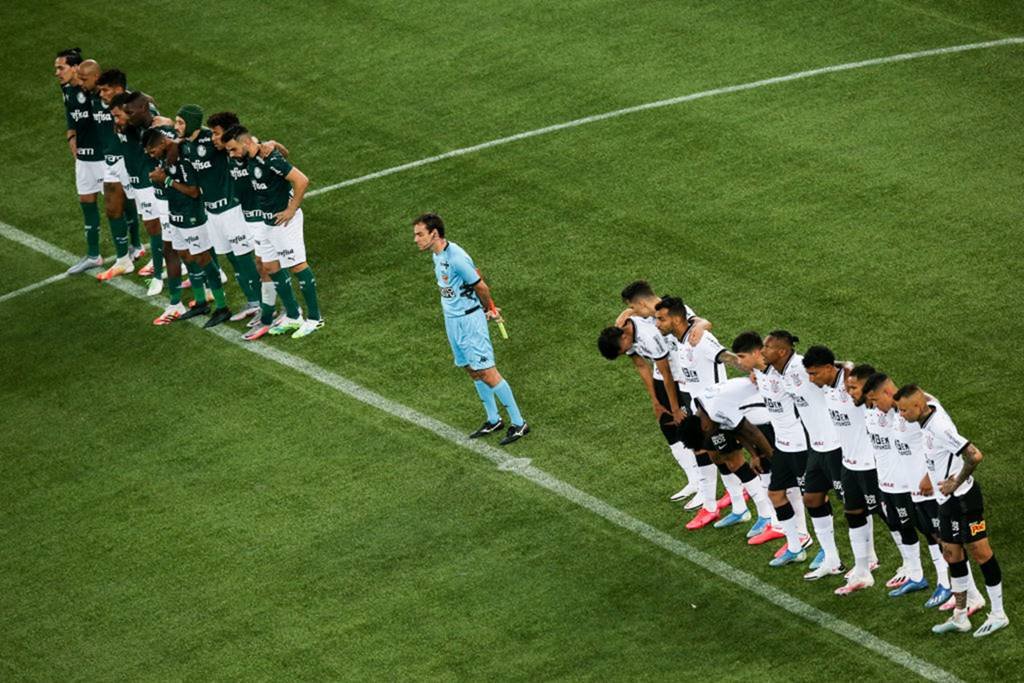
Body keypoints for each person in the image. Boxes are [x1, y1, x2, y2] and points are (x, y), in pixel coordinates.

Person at [896, 385, 1008, 637]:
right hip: (945, 502)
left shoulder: (939, 428)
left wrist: (955, 481)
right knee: (952, 554)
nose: (900, 415)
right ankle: (960, 616)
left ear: (917, 406)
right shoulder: (925, 415)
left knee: (981, 553)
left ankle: (998, 614)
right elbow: (924, 393)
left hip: (964, 499)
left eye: (903, 410)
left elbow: (974, 455)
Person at [413, 213, 528, 444]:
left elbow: (481, 285)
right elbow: (474, 274)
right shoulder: (438, 255)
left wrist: (489, 309)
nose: (415, 239)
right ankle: (493, 419)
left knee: (487, 371)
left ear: (434, 234)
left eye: (419, 234)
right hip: (452, 320)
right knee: (470, 368)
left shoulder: (456, 257)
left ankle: (519, 423)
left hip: (469, 321)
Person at [222, 125, 322, 339]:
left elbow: (301, 180)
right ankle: (294, 316)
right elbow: (264, 146)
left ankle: (315, 318)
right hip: (266, 221)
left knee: (297, 265)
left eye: (232, 149)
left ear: (245, 143)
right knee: (270, 266)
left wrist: (291, 209)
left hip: (284, 221)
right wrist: (273, 143)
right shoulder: (249, 155)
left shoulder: (270, 159)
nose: (231, 154)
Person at [619, 281, 713, 507]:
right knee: (668, 425)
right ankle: (693, 480)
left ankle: (707, 487)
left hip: (683, 378)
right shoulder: (644, 316)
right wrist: (626, 313)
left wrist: (701, 326)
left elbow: (701, 323)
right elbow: (627, 316)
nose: (633, 311)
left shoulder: (673, 311)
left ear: (641, 302)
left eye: (634, 306)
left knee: (695, 429)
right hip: (663, 376)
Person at [731, 331, 813, 565]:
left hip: (800, 443)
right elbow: (732, 359)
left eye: (741, 356)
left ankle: (825, 550)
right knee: (776, 494)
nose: (737, 361)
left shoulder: (788, 371)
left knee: (813, 498)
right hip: (782, 444)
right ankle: (797, 544)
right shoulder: (759, 371)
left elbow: (817, 370)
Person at [803, 353, 882, 594]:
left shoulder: (853, 387)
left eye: (814, 373)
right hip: (849, 462)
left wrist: (848, 369)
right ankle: (861, 570)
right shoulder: (830, 385)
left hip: (869, 464)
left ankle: (918, 571)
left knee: (892, 519)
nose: (810, 378)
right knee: (853, 512)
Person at [177, 105, 262, 321]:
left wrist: (265, 143)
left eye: (217, 133)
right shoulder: (186, 146)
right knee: (233, 259)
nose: (215, 137)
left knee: (244, 259)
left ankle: (262, 305)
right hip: (212, 212)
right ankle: (253, 302)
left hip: (232, 210)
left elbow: (248, 143)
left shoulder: (217, 143)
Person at [143, 126, 231, 327]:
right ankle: (200, 302)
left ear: (162, 143)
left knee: (203, 258)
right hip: (175, 215)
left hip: (192, 216)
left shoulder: (184, 159)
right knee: (185, 256)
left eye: (152, 150)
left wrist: (165, 180)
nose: (151, 155)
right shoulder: (168, 156)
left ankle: (222, 306)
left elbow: (193, 191)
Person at [84, 65, 144, 279]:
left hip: (131, 163)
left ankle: (163, 257)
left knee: (149, 212)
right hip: (111, 162)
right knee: (112, 208)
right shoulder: (98, 102)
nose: (101, 94)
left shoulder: (134, 105)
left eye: (106, 90)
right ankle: (123, 260)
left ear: (118, 89)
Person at [56, 49, 106, 274]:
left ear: (76, 68)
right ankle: (94, 255)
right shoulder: (66, 89)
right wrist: (71, 135)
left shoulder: (94, 89)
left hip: (103, 156)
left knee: (121, 205)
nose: (57, 73)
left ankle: (133, 249)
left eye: (61, 68)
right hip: (84, 157)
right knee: (86, 201)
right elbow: (69, 112)